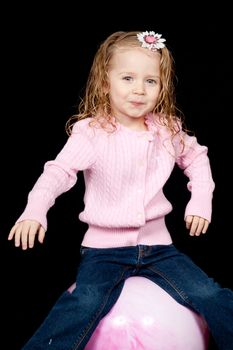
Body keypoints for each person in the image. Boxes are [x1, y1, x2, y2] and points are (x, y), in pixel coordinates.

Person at [8, 30, 233, 350]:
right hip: (105, 252)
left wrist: (200, 201)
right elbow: (57, 173)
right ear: (105, 83)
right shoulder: (92, 133)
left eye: (150, 81)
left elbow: (197, 158)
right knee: (84, 305)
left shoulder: (167, 129)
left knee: (210, 295)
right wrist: (35, 211)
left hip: (159, 248)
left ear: (161, 87)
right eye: (127, 78)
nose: (139, 90)